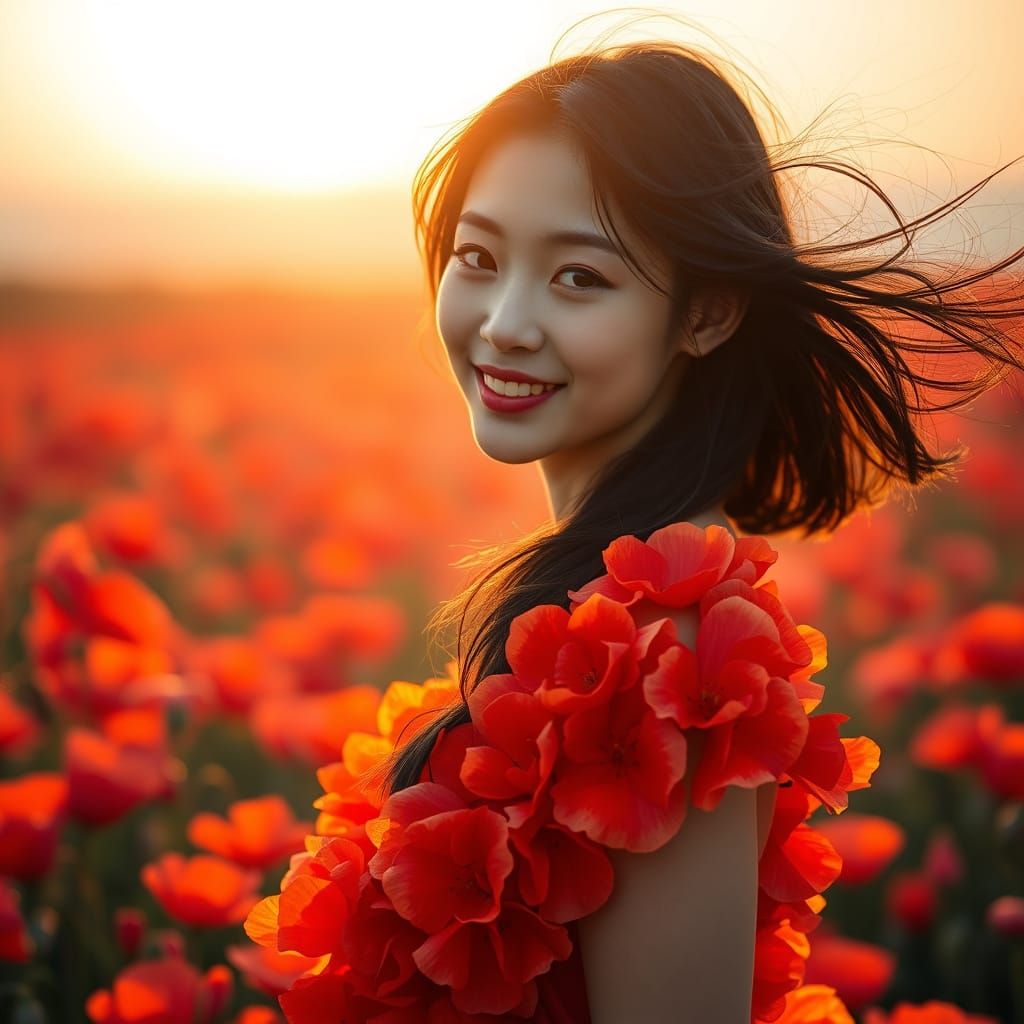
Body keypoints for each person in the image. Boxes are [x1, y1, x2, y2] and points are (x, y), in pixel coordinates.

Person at [247, 18, 1024, 1024]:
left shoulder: (673, 667)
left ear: (707, 313)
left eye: (579, 276)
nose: (504, 321)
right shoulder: (603, 612)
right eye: (478, 256)